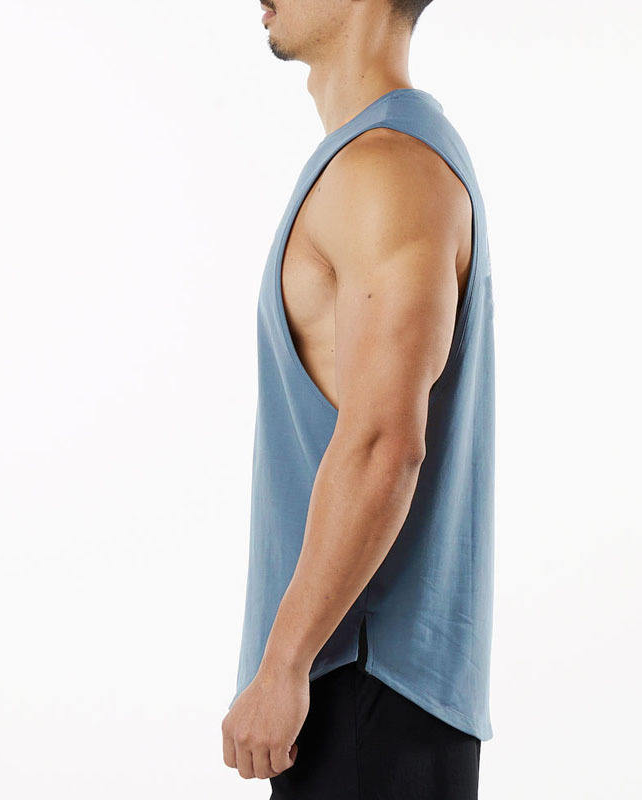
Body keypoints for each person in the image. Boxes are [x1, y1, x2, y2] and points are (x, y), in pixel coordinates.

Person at [222, 1, 496, 797]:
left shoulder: (388, 171)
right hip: (359, 692)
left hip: (365, 690)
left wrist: (284, 664)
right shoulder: (370, 161)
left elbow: (385, 443)